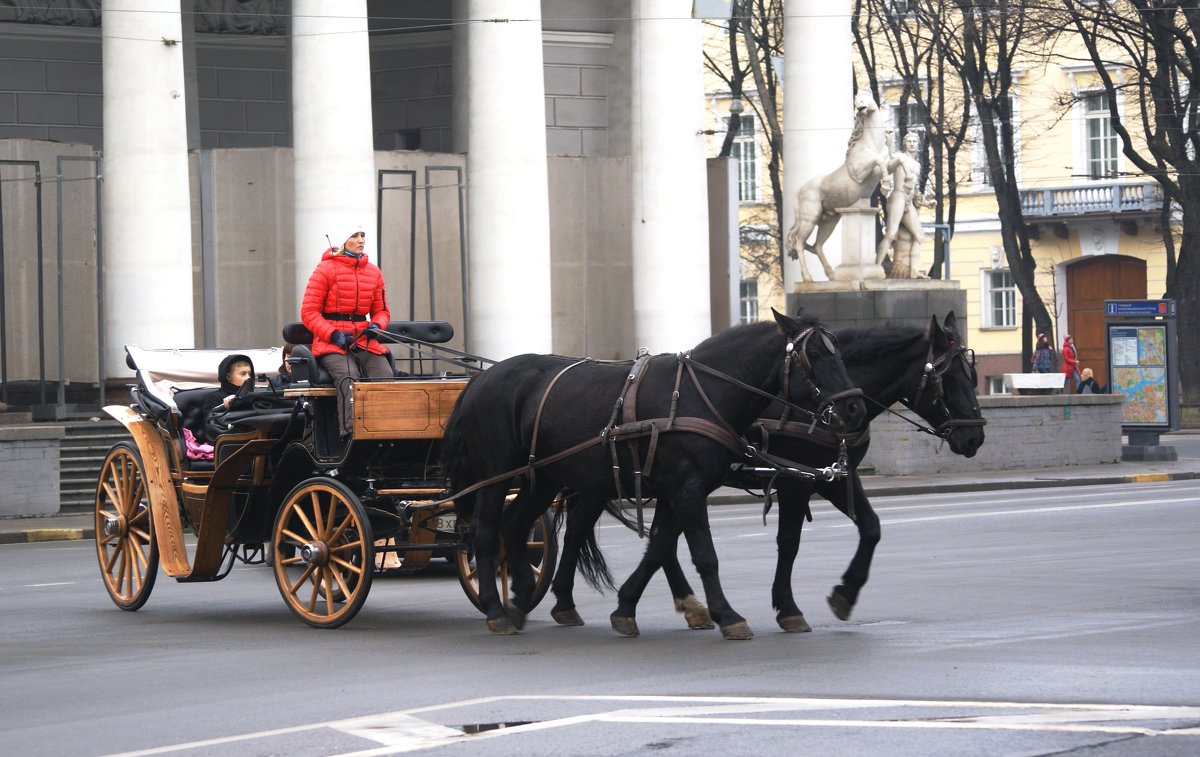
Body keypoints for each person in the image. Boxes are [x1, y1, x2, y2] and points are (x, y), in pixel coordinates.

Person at [300, 227, 392, 439]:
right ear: (343, 241)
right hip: (331, 342)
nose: (361, 240)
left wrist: (376, 326)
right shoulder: (324, 269)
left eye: (363, 236)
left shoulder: (374, 272)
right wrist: (334, 335)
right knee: (348, 377)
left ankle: (384, 431)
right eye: (354, 236)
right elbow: (308, 312)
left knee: (385, 376)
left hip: (363, 340)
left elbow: (381, 311)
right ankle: (350, 435)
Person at [182, 353, 255, 458]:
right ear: (229, 377)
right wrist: (230, 405)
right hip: (228, 443)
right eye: (243, 374)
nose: (248, 378)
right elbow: (212, 426)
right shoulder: (215, 398)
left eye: (250, 374)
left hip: (254, 441)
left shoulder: (254, 396)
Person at [876, 131, 927, 275]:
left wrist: (926, 203)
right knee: (891, 234)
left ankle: (914, 272)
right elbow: (888, 167)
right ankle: (876, 266)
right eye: (909, 141)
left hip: (908, 202)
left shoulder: (917, 164)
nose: (912, 144)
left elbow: (914, 189)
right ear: (904, 143)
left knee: (919, 236)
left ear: (918, 144)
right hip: (898, 197)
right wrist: (888, 142)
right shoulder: (900, 157)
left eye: (914, 141)